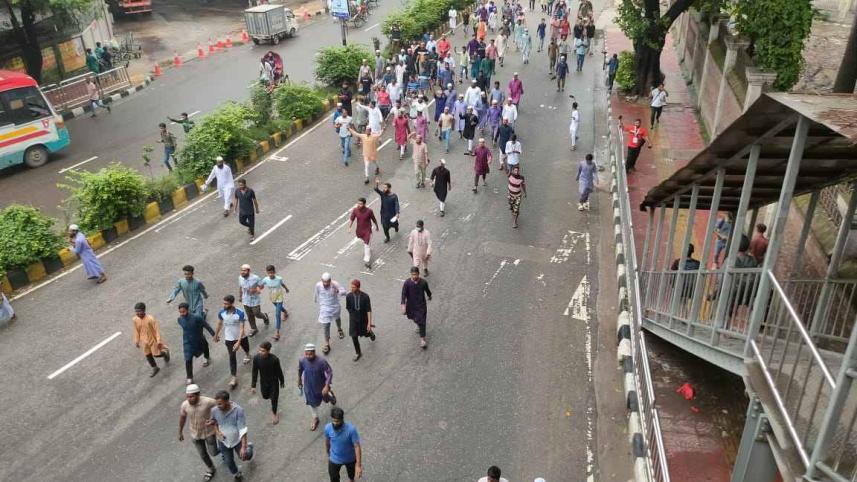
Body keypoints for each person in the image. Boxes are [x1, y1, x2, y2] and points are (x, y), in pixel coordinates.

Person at [208, 391, 254, 480]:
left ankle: (249, 447)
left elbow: (242, 430)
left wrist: (243, 447)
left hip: (237, 440)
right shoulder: (214, 410)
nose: (218, 406)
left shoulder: (238, 411)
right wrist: (217, 431)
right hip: (223, 441)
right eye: (217, 404)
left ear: (227, 401)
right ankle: (236, 473)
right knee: (228, 461)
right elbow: (215, 422)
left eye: (220, 404)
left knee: (245, 457)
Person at [179, 384, 219, 481]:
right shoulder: (185, 405)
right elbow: (182, 418)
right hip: (195, 434)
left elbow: (221, 406)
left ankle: (225, 450)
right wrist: (180, 431)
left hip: (209, 432)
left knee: (213, 452)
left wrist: (216, 420)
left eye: (192, 396)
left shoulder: (208, 401)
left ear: (198, 394)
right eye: (188, 396)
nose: (189, 399)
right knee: (203, 454)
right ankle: (211, 469)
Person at [213, 294, 251, 390]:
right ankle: (234, 377)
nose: (224, 305)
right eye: (224, 303)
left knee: (246, 348)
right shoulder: (222, 313)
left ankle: (247, 354)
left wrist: (238, 342)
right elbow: (220, 323)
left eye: (226, 304)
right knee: (232, 357)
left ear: (231, 303)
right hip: (229, 339)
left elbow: (242, 328)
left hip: (240, 337)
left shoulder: (240, 313)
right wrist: (216, 334)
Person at [298, 343, 336, 431]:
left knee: (326, 399)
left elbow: (329, 372)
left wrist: (327, 386)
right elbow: (300, 370)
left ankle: (330, 397)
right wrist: (299, 379)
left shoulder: (322, 361)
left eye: (310, 354)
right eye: (306, 354)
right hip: (309, 386)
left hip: (322, 386)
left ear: (314, 352)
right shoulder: (302, 360)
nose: (308, 356)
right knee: (311, 403)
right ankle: (315, 418)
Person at [176, 302, 214, 384]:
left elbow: (206, 325)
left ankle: (207, 357)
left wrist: (214, 335)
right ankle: (189, 377)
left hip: (199, 338)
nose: (182, 314)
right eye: (180, 312)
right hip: (187, 342)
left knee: (205, 346)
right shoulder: (180, 320)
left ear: (188, 310)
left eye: (183, 311)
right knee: (188, 359)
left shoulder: (197, 317)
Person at [250, 341, 285, 424]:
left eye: (263, 351)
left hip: (274, 382)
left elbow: (279, 371)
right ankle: (271, 397)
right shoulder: (256, 358)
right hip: (264, 381)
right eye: (260, 350)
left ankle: (274, 413)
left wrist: (282, 381)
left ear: (268, 351)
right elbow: (254, 372)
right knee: (265, 396)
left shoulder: (274, 359)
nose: (260, 352)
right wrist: (253, 385)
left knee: (274, 398)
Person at [132, 302, 170, 377]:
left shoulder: (150, 319)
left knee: (156, 354)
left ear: (144, 310)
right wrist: (136, 340)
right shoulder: (135, 320)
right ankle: (155, 367)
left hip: (153, 340)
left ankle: (165, 354)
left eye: (139, 311)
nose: (138, 313)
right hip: (144, 341)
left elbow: (157, 330)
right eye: (136, 311)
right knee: (148, 355)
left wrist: (159, 341)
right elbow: (136, 330)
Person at [325, 407, 364, 482]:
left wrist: (358, 465)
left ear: (342, 419)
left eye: (338, 421)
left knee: (352, 475)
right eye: (334, 421)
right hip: (334, 458)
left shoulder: (351, 430)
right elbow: (327, 440)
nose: (335, 423)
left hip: (350, 458)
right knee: (333, 478)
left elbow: (357, 446)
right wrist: (327, 451)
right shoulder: (327, 428)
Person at [401, 266, 433, 349]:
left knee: (422, 321)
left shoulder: (423, 282)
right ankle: (418, 324)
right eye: (412, 275)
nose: (414, 276)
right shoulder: (407, 283)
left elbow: (427, 291)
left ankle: (423, 340)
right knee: (414, 319)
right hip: (411, 306)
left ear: (418, 274)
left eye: (415, 274)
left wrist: (429, 296)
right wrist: (403, 306)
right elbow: (403, 295)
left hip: (421, 306)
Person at [315, 273, 346, 354]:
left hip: (334, 306)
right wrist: (318, 302)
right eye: (324, 282)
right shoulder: (318, 285)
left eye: (327, 282)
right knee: (326, 326)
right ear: (321, 280)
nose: (325, 284)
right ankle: (327, 344)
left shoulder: (335, 284)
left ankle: (339, 329)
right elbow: (316, 293)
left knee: (337, 319)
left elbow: (344, 292)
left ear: (330, 280)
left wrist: (338, 291)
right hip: (325, 308)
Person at [345, 280, 374, 362]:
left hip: (363, 319)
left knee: (365, 333)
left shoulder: (365, 297)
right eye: (351, 287)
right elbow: (348, 307)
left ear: (358, 287)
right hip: (353, 320)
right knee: (354, 336)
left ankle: (370, 332)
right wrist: (353, 315)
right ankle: (358, 352)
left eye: (353, 287)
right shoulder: (349, 296)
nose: (352, 289)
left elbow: (369, 310)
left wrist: (369, 323)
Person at [348, 197, 379, 269]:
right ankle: (368, 248)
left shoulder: (369, 211)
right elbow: (352, 219)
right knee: (366, 243)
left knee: (366, 245)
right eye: (358, 203)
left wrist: (377, 226)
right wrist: (349, 227)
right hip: (359, 230)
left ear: (364, 204)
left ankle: (367, 261)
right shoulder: (355, 210)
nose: (359, 205)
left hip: (367, 230)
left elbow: (373, 219)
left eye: (361, 204)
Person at [261, 265, 290, 341]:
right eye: (269, 273)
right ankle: (285, 312)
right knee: (279, 308)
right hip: (272, 298)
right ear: (267, 273)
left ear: (274, 272)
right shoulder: (265, 279)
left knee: (277, 314)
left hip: (279, 298)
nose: (270, 274)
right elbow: (260, 285)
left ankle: (277, 333)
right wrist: (257, 289)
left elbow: (282, 284)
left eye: (272, 273)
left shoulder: (279, 279)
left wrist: (286, 289)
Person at [239, 264, 269, 336]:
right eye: (241, 270)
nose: (242, 272)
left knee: (257, 313)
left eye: (244, 271)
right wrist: (240, 296)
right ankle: (254, 329)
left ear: (249, 271)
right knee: (249, 315)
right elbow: (240, 287)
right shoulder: (240, 278)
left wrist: (256, 289)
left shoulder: (255, 278)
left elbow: (261, 286)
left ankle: (265, 316)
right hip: (246, 299)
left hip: (255, 299)